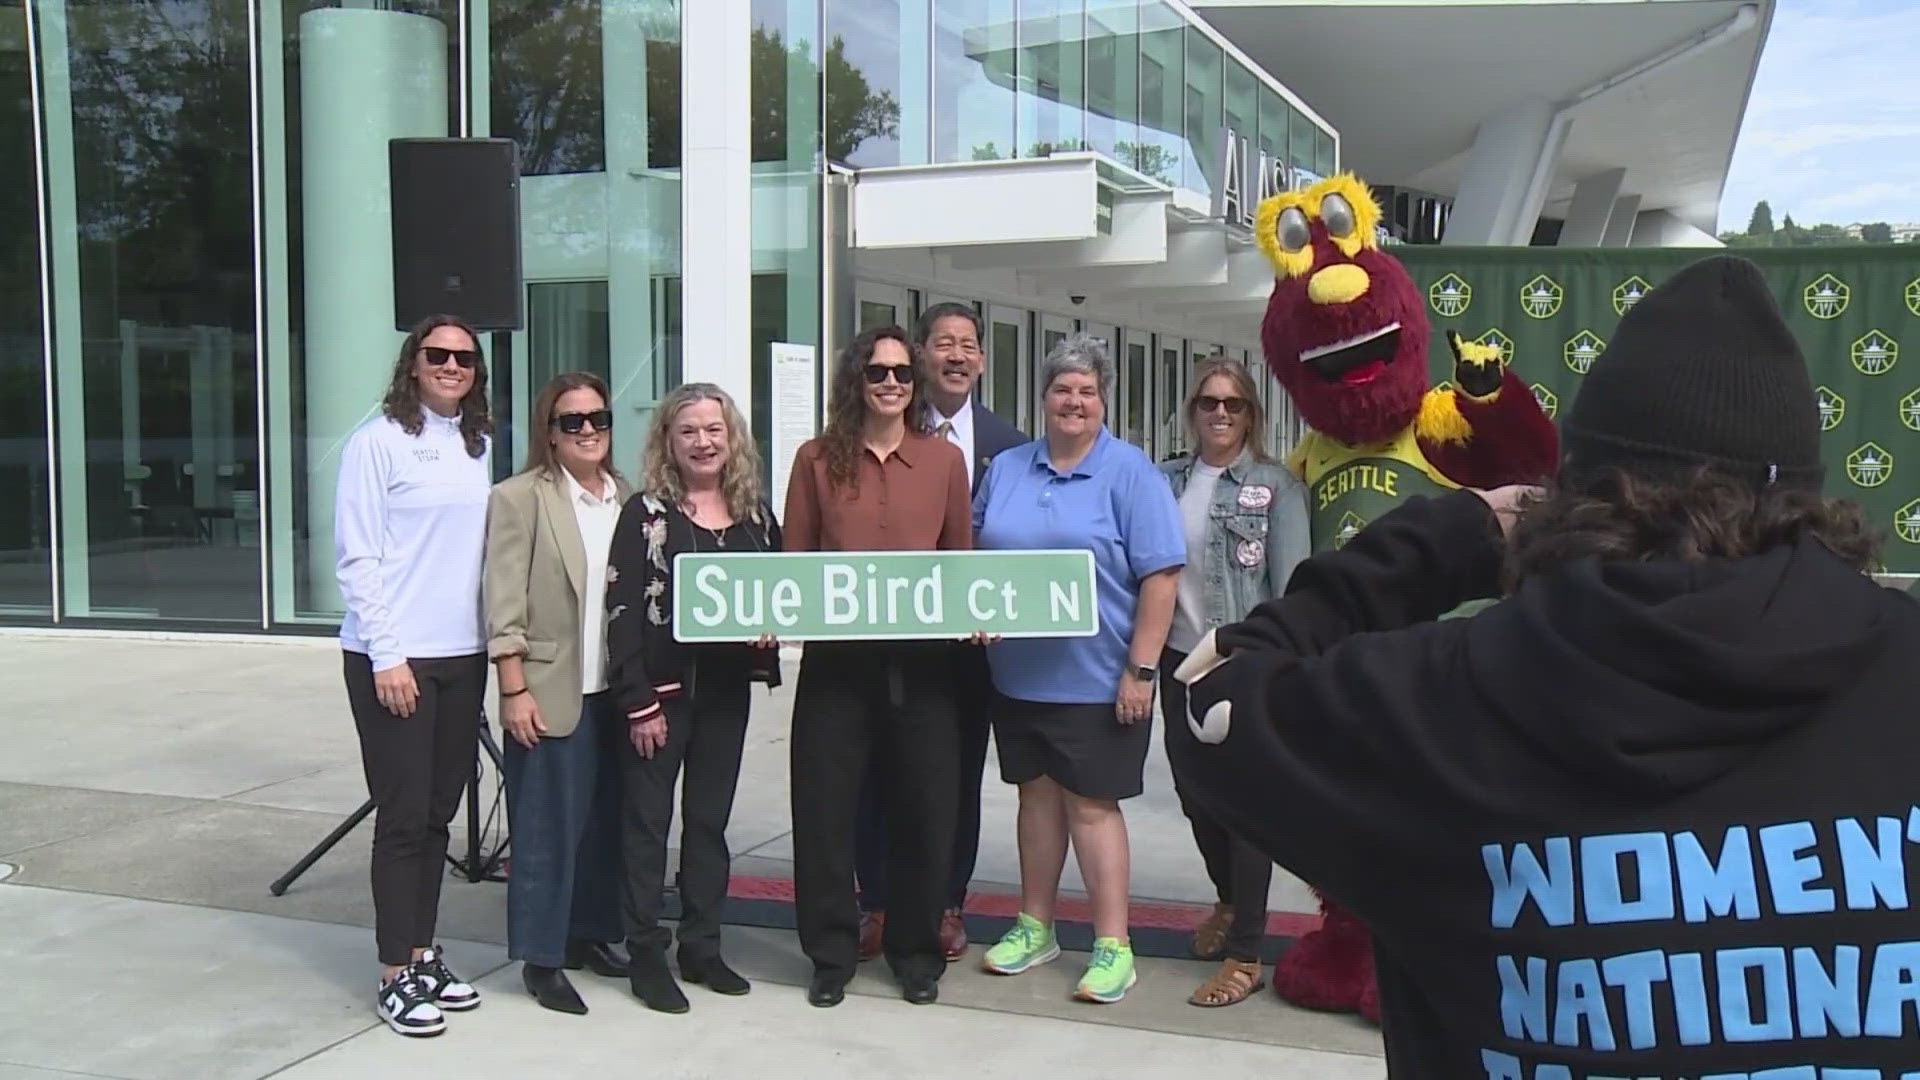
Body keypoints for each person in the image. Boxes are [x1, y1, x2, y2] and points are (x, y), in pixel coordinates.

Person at [1167, 254, 1916, 1076]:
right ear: (1808, 496)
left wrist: (1448, 540)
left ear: (1570, 498)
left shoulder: (1446, 696)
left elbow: (1212, 699)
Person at [971, 332, 1185, 1004]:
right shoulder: (1008, 467)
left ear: (1103, 400)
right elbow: (975, 551)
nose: (1074, 401)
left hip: (1099, 680)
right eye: (1062, 389)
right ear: (1043, 398)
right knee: (1035, 796)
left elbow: (1161, 577)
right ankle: (1036, 926)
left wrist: (1141, 671)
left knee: (1092, 807)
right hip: (1018, 675)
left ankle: (1114, 945)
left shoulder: (1130, 473)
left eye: (1087, 391)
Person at [783, 325, 973, 1008]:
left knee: (925, 810)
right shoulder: (814, 461)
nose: (890, 383)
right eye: (877, 373)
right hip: (838, 666)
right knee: (826, 811)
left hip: (924, 666)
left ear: (915, 384)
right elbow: (794, 567)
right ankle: (831, 954)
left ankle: (916, 952)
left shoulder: (944, 463)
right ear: (855, 383)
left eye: (901, 373)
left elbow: (960, 563)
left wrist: (975, 611)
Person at [853, 302, 1028, 963]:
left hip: (968, 649)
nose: (956, 355)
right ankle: (875, 903)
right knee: (874, 772)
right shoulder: (877, 426)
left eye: (968, 345)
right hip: (882, 640)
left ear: (981, 360)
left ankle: (946, 904)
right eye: (942, 343)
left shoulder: (1010, 447)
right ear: (921, 355)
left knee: (953, 777)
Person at [334, 313, 492, 1037]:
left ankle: (425, 951)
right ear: (413, 362)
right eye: (438, 354)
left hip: (465, 655)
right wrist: (387, 654)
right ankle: (395, 970)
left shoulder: (475, 444)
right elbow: (359, 558)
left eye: (464, 357)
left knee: (438, 815)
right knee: (401, 819)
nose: (452, 365)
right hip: (395, 657)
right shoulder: (377, 443)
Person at [605, 382, 783, 1013]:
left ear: (731, 438)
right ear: (668, 443)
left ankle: (702, 946)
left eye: (715, 430)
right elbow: (622, 611)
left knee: (708, 825)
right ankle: (646, 954)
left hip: (726, 694)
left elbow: (779, 591)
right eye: (689, 432)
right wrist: (638, 701)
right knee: (648, 829)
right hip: (662, 695)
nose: (704, 442)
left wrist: (772, 624)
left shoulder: (756, 514)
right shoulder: (648, 514)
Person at [1157, 356, 1309, 1007]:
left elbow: (1295, 587)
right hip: (1176, 660)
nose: (1220, 414)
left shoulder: (1276, 487)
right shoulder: (1164, 480)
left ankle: (1247, 952)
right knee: (1196, 796)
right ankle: (1226, 900)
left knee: (1246, 811)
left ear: (1252, 414)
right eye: (1209, 403)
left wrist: (1276, 673)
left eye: (1234, 404)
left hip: (1241, 665)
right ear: (1192, 410)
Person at [483, 372, 631, 1016]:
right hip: (548, 688)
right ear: (550, 431)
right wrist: (512, 688)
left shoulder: (627, 498)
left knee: (603, 827)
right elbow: (503, 602)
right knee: (545, 832)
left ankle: (589, 935)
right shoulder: (520, 498)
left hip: (614, 692)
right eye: (573, 421)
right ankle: (542, 959)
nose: (589, 430)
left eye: (598, 418)